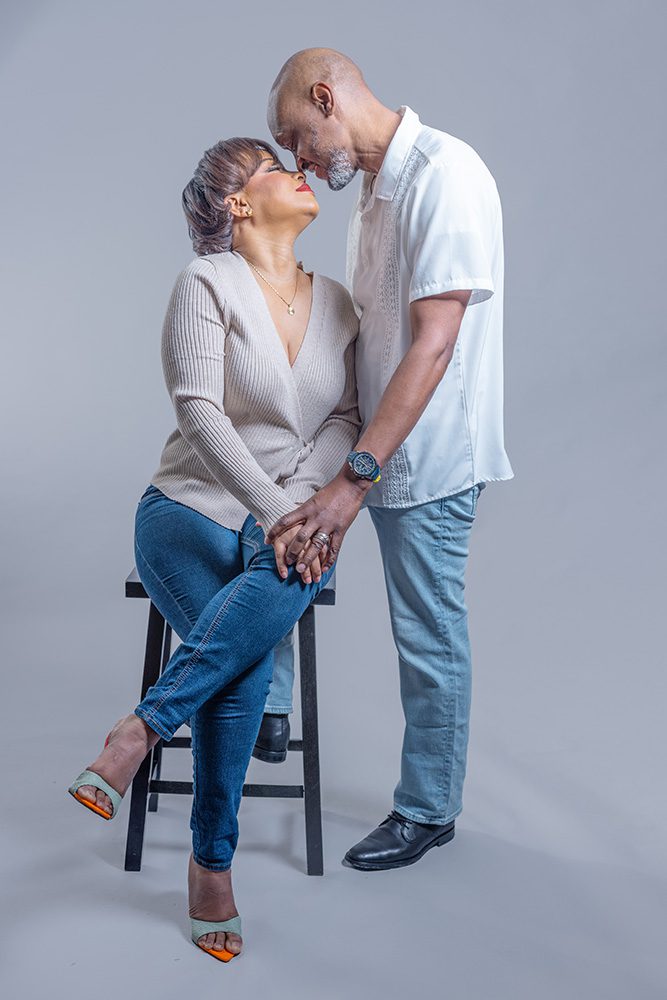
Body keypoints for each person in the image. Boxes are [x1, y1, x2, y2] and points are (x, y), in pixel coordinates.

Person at [67, 135, 361, 961]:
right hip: (189, 510)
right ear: (238, 204)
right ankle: (211, 868)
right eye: (276, 167)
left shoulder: (336, 301)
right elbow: (199, 407)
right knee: (239, 664)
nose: (300, 172)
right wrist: (280, 512)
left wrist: (303, 512)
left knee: (234, 655)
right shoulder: (206, 281)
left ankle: (141, 731)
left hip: (290, 519)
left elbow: (345, 419)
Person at [261, 48, 514, 871]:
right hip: (363, 444)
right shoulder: (373, 191)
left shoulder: (446, 174)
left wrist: (350, 483)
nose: (297, 160)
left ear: (327, 98)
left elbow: (432, 347)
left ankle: (427, 810)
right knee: (276, 543)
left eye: (296, 137)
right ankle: (265, 713)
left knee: (426, 635)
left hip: (425, 457)